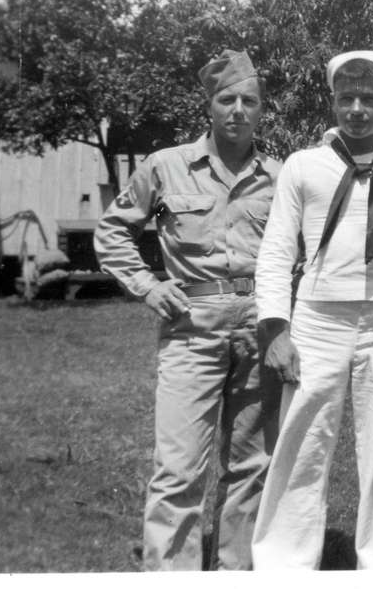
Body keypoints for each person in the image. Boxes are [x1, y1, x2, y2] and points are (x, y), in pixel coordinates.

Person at [250, 50, 373, 569]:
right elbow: (275, 249)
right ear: (333, 100)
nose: (357, 109)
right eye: (347, 98)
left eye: (370, 99)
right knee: (300, 446)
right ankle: (282, 567)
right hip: (316, 320)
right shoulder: (303, 165)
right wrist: (276, 328)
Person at [94, 49, 282, 571]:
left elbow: (303, 249)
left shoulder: (280, 176)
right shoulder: (166, 166)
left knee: (252, 462)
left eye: (249, 101)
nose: (238, 110)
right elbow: (113, 230)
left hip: (258, 327)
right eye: (227, 99)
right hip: (191, 328)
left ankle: (235, 572)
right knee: (179, 467)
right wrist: (147, 286)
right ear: (210, 105)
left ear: (262, 110)